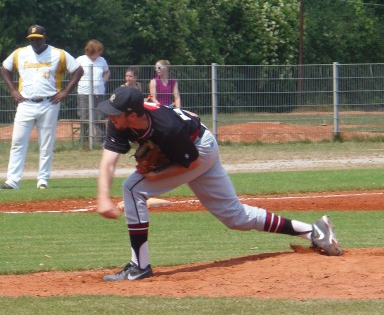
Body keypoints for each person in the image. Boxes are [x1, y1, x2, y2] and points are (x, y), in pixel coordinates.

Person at [96, 86, 343, 281]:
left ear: (132, 114)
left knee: (132, 187)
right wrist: (103, 198)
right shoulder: (119, 123)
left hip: (198, 150)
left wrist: (153, 176)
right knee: (235, 217)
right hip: (191, 146)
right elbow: (108, 161)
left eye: (115, 112)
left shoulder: (166, 128)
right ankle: (313, 231)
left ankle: (139, 267)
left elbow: (190, 163)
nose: (110, 116)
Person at [0, 25, 84, 190]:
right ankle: (12, 181)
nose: (35, 41)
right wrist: (13, 90)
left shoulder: (58, 54)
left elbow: (78, 70)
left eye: (38, 38)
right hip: (25, 102)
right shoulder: (20, 53)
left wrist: (65, 91)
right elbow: (5, 68)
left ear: (44, 37)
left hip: (49, 103)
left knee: (46, 143)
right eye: (32, 39)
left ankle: (43, 180)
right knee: (17, 141)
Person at [76, 39, 110, 145]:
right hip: (84, 92)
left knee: (100, 116)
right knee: (84, 116)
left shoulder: (102, 60)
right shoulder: (80, 60)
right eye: (98, 51)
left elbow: (107, 72)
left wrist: (103, 82)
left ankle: (102, 141)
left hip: (98, 92)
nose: (101, 53)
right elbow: (73, 73)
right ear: (91, 51)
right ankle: (84, 141)